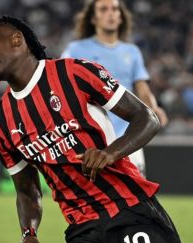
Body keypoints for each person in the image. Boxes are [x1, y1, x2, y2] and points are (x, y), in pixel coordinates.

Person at [0, 16, 183, 243]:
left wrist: (111, 153)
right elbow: (27, 191)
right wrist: (28, 233)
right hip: (85, 233)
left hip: (132, 211)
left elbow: (147, 118)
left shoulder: (74, 73)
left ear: (17, 39)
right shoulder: (0, 123)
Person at [61, 0, 168, 176]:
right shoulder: (75, 50)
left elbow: (143, 89)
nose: (110, 13)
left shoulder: (132, 51)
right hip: (91, 138)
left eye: (114, 9)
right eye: (104, 9)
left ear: (120, 17)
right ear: (93, 19)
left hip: (128, 136)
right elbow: (61, 84)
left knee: (139, 196)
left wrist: (153, 108)